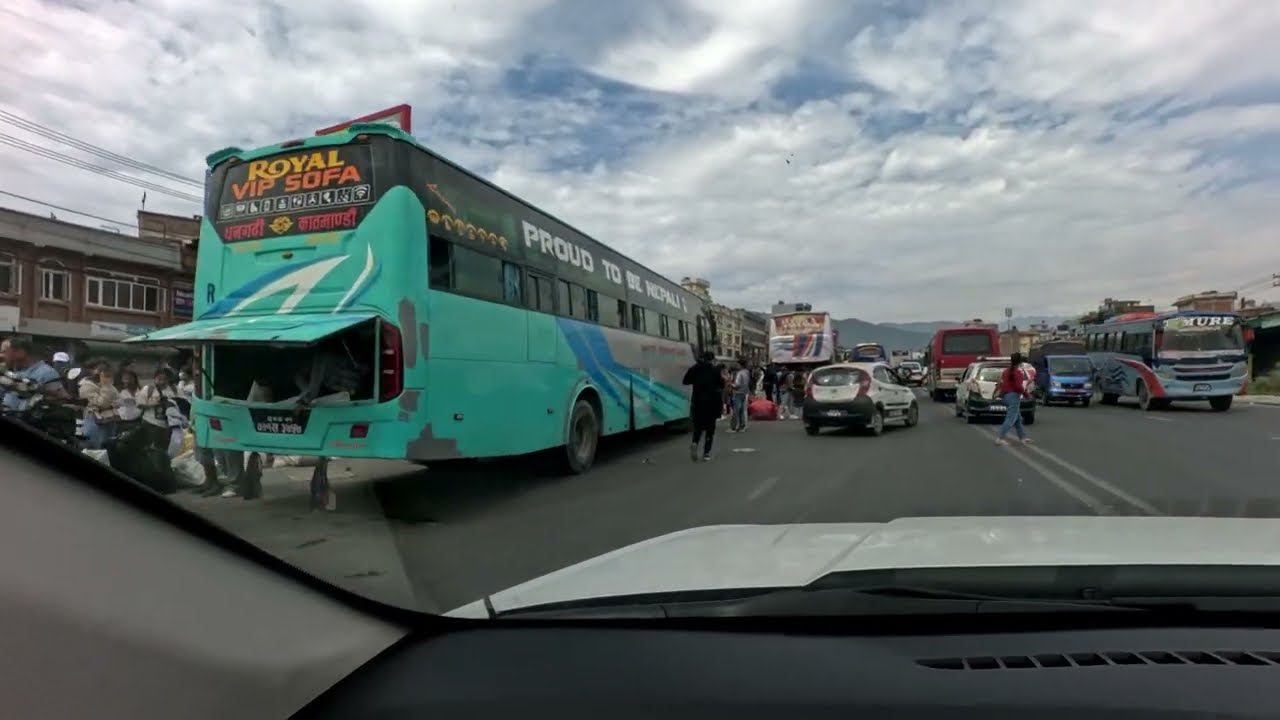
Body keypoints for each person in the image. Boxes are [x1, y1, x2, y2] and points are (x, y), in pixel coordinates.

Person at [1, 336, 66, 411]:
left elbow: (56, 404)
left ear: (20, 352)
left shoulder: (47, 373)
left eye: (4, 352)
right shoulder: (11, 372)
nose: (1, 356)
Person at [682, 351, 722, 461]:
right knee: (710, 429)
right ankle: (706, 453)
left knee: (698, 427)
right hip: (711, 403)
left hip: (697, 402)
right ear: (712, 359)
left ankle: (695, 442)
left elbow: (685, 381)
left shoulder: (695, 368)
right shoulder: (715, 370)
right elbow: (721, 385)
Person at [995, 352, 1034, 446]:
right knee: (1011, 418)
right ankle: (1000, 437)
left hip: (1005, 396)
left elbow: (1003, 384)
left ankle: (1023, 438)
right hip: (1014, 396)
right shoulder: (1018, 373)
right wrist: (1026, 394)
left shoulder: (1006, 371)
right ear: (1020, 362)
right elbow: (1018, 387)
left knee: (1017, 418)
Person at [729, 361, 751, 432]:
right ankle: (742, 426)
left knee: (736, 410)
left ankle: (733, 427)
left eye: (737, 364)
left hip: (738, 393)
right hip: (745, 392)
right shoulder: (747, 372)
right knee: (742, 410)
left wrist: (731, 384)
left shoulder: (739, 373)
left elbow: (737, 385)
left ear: (740, 365)